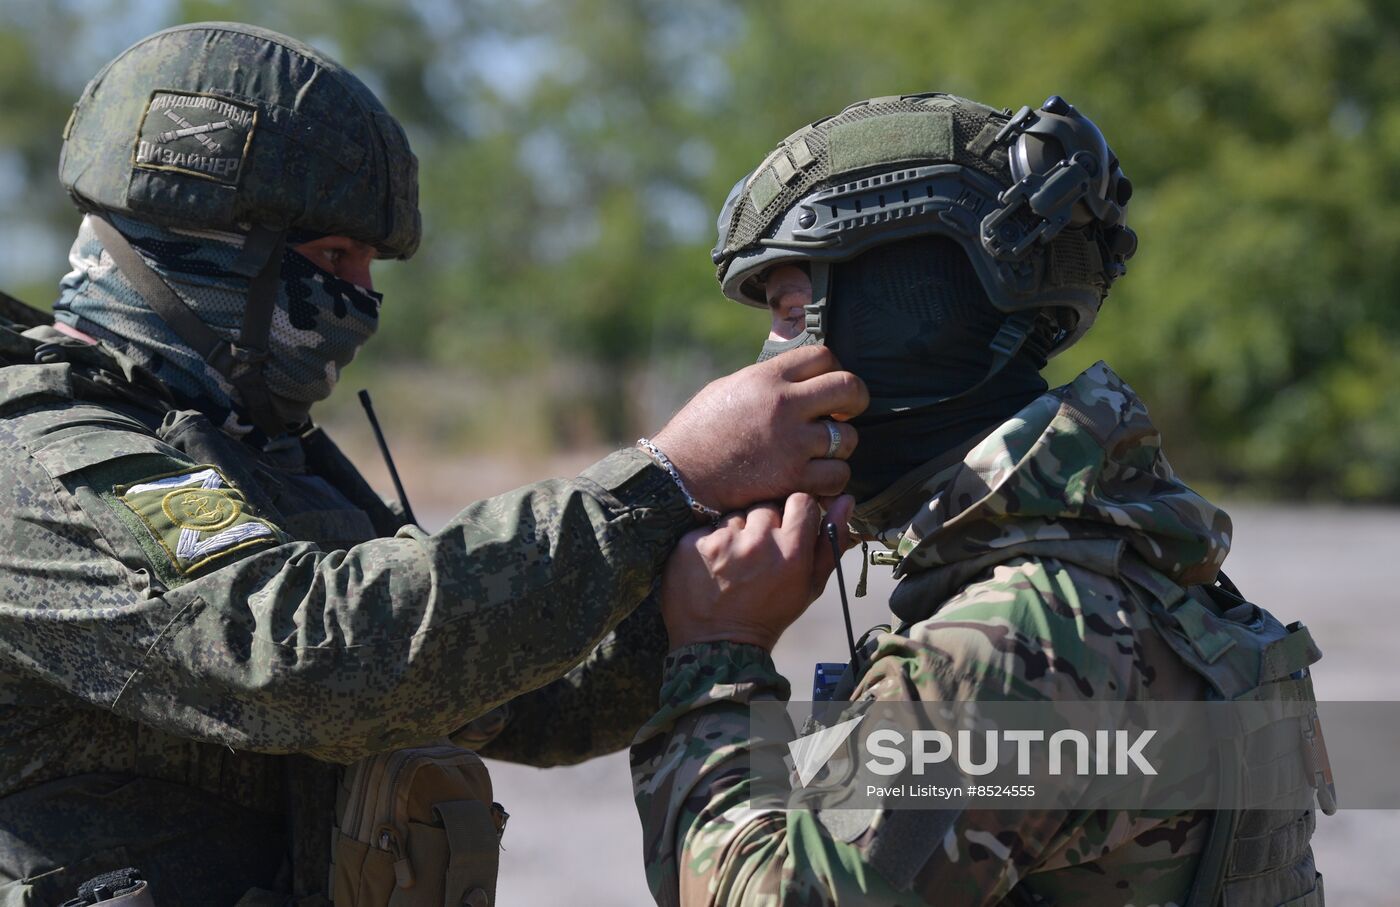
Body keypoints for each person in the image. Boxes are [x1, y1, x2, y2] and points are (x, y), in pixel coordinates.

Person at [0, 22, 870, 906]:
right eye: (334, 258)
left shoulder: (256, 454)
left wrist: (708, 581)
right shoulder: (37, 451)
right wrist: (664, 480)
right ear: (206, 247)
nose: (364, 301)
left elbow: (519, 694)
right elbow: (308, 659)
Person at [632, 92, 1331, 905]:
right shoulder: (1131, 548)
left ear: (911, 316)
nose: (766, 366)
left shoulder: (1007, 638)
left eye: (793, 313)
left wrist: (716, 653)